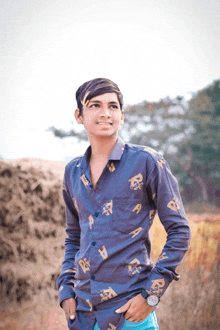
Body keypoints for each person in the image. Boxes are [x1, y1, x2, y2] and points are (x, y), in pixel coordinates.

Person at [57, 78, 191, 330]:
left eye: (113, 106)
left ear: (122, 115)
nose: (105, 113)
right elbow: (74, 237)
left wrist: (151, 296)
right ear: (79, 115)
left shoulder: (147, 163)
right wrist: (65, 290)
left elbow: (180, 232)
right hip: (83, 317)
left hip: (129, 314)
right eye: (95, 105)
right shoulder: (72, 172)